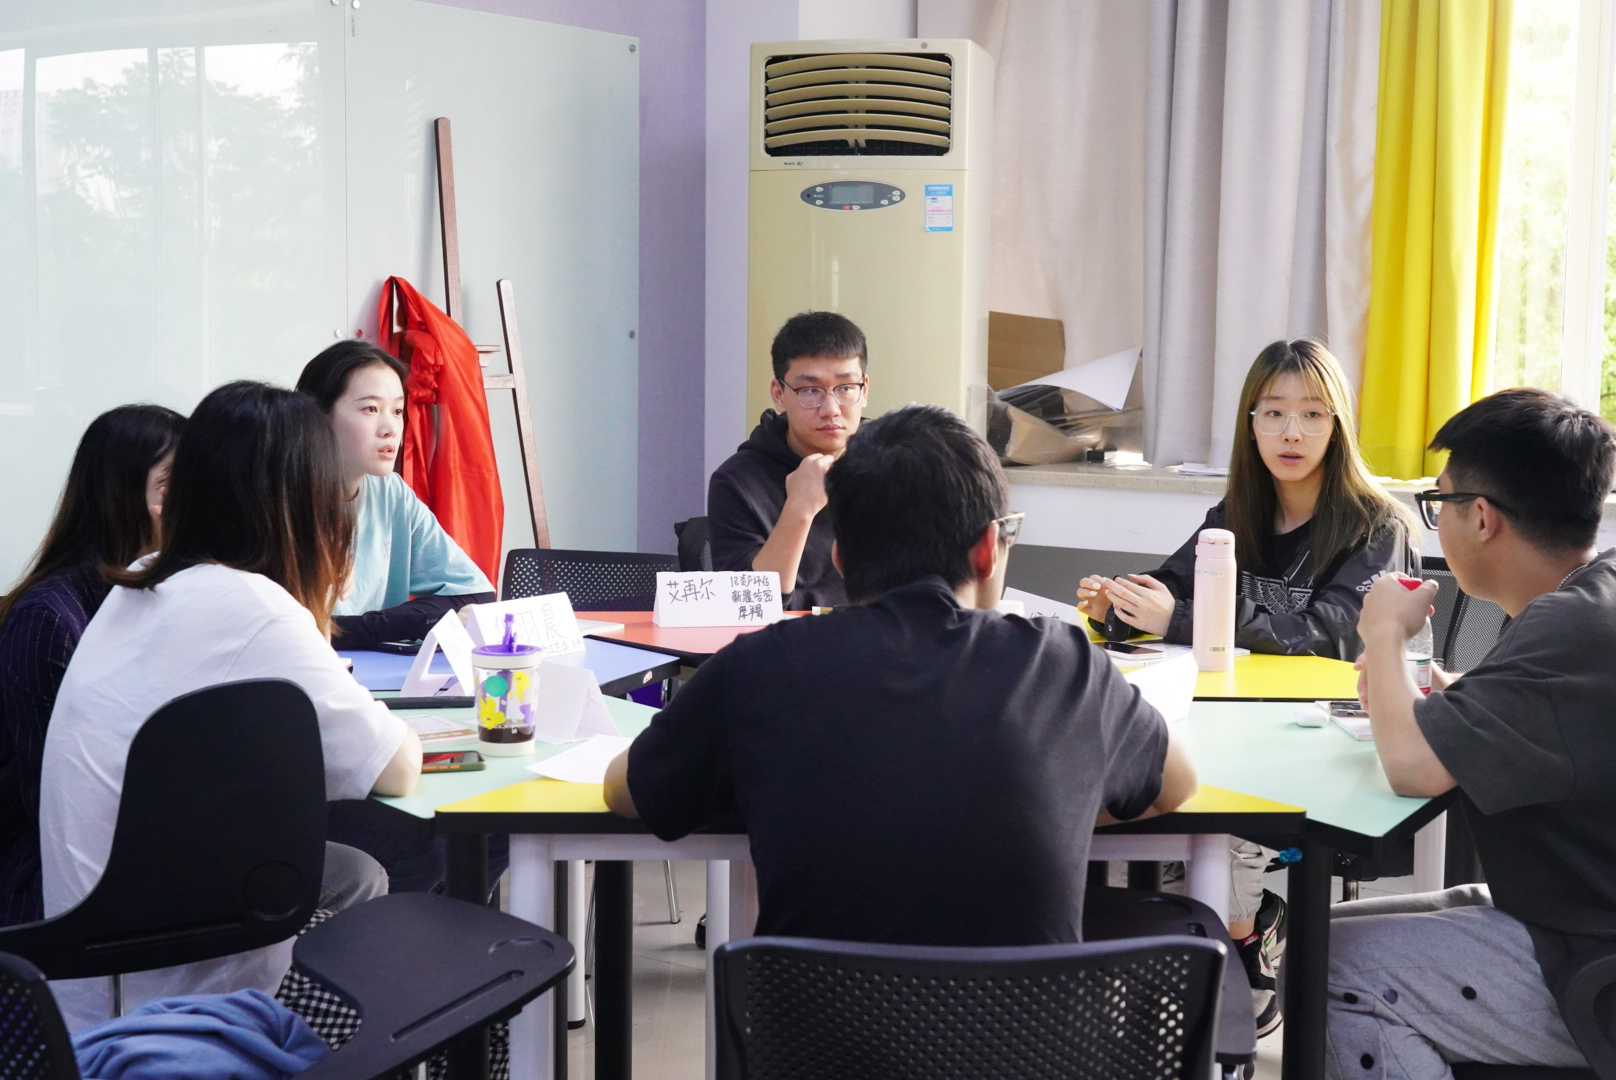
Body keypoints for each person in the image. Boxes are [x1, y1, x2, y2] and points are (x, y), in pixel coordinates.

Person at [605, 404, 1196, 945]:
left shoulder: (759, 666)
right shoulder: (1063, 666)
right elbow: (1175, 784)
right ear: (988, 548)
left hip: (816, 1023)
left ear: (840, 557)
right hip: (1019, 1026)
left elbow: (626, 791)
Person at [39, 381, 422, 1031]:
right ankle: (344, 1039)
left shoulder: (148, 577)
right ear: (297, 500)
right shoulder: (249, 603)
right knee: (408, 848)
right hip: (162, 979)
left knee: (351, 869)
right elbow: (397, 768)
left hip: (86, 958)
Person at [1076, 339, 1419, 1034]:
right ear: (1250, 423)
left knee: (1215, 803)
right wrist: (1121, 602)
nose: (1292, 432)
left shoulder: (1375, 525)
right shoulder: (1238, 511)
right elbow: (1172, 586)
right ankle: (1191, 946)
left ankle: (1244, 937)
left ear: (1339, 425)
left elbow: (1335, 636)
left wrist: (1186, 617)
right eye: (1273, 413)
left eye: (1313, 414)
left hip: (1321, 734)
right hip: (1232, 718)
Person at [1327, 388, 1616, 1080]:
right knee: (1319, 934)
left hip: (1588, 952)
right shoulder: (1593, 598)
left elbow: (1413, 769)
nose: (1438, 522)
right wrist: (1441, 688)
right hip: (1574, 913)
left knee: (1332, 971)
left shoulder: (1564, 626)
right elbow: (1543, 709)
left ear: (1481, 517)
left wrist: (1382, 632)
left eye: (1441, 502)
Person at [0, 405, 185, 929]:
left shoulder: (160, 594)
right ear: (119, 494)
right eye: (170, 484)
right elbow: (58, 797)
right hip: (52, 871)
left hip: (135, 839)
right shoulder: (49, 617)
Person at [296, 341, 494, 649]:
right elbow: (293, 630)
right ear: (316, 416)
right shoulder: (277, 499)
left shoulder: (391, 492)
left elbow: (476, 596)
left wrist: (371, 627)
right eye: (371, 409)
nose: (391, 428)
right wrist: (413, 623)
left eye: (398, 410)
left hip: (379, 670)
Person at [707, 311, 870, 609]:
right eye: (810, 390)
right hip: (789, 636)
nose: (830, 409)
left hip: (882, 634)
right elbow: (746, 607)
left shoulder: (897, 463)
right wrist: (799, 509)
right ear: (779, 394)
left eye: (845, 388)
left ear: (864, 390)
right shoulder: (737, 481)